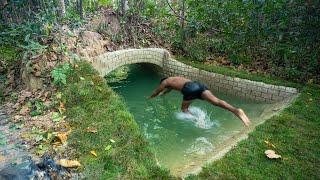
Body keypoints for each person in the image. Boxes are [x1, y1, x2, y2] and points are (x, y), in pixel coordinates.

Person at [149, 76, 250, 126]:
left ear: (162, 80)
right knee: (216, 101)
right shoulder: (174, 79)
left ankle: (198, 122)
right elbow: (167, 91)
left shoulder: (165, 82)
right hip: (199, 85)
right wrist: (163, 95)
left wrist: (149, 99)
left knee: (184, 110)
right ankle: (236, 111)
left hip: (189, 88)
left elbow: (156, 92)